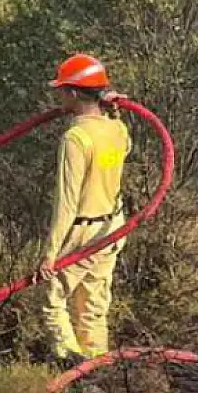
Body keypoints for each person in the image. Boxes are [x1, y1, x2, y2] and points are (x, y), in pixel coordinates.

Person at [38, 54, 132, 367]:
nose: (59, 97)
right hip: (112, 228)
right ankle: (97, 368)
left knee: (53, 300)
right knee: (92, 307)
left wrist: (49, 253)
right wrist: (113, 110)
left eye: (62, 90)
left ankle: (72, 367)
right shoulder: (117, 130)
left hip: (84, 231)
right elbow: (124, 146)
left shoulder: (75, 138)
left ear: (74, 94)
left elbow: (66, 201)